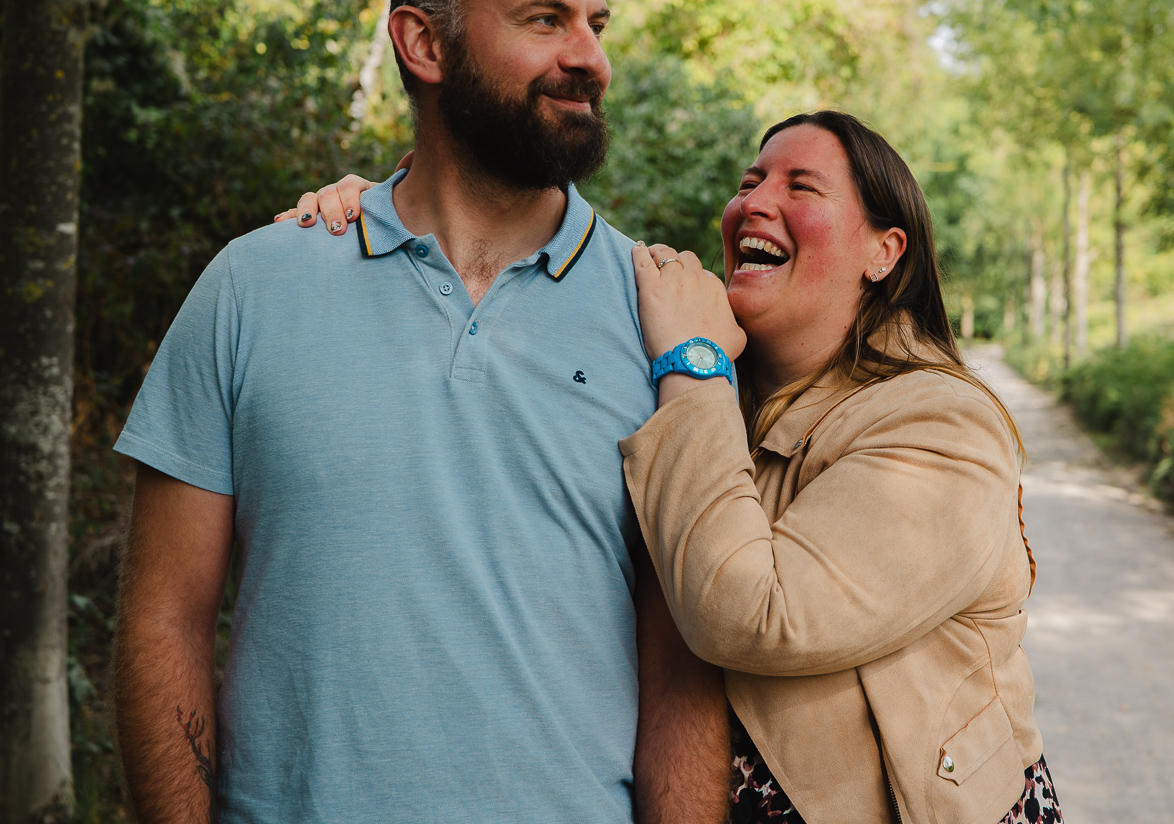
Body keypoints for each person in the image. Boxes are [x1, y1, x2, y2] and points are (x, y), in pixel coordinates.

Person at [110, 0, 730, 824]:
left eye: (596, 24)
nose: (591, 58)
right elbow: (163, 620)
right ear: (424, 43)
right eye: (546, 19)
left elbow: (678, 668)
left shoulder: (665, 321)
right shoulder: (254, 287)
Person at [316, 111, 1060, 824]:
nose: (755, 203)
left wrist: (695, 366)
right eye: (749, 183)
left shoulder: (940, 425)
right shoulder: (712, 382)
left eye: (801, 187)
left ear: (884, 251)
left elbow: (754, 615)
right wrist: (391, 210)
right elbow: (553, 251)